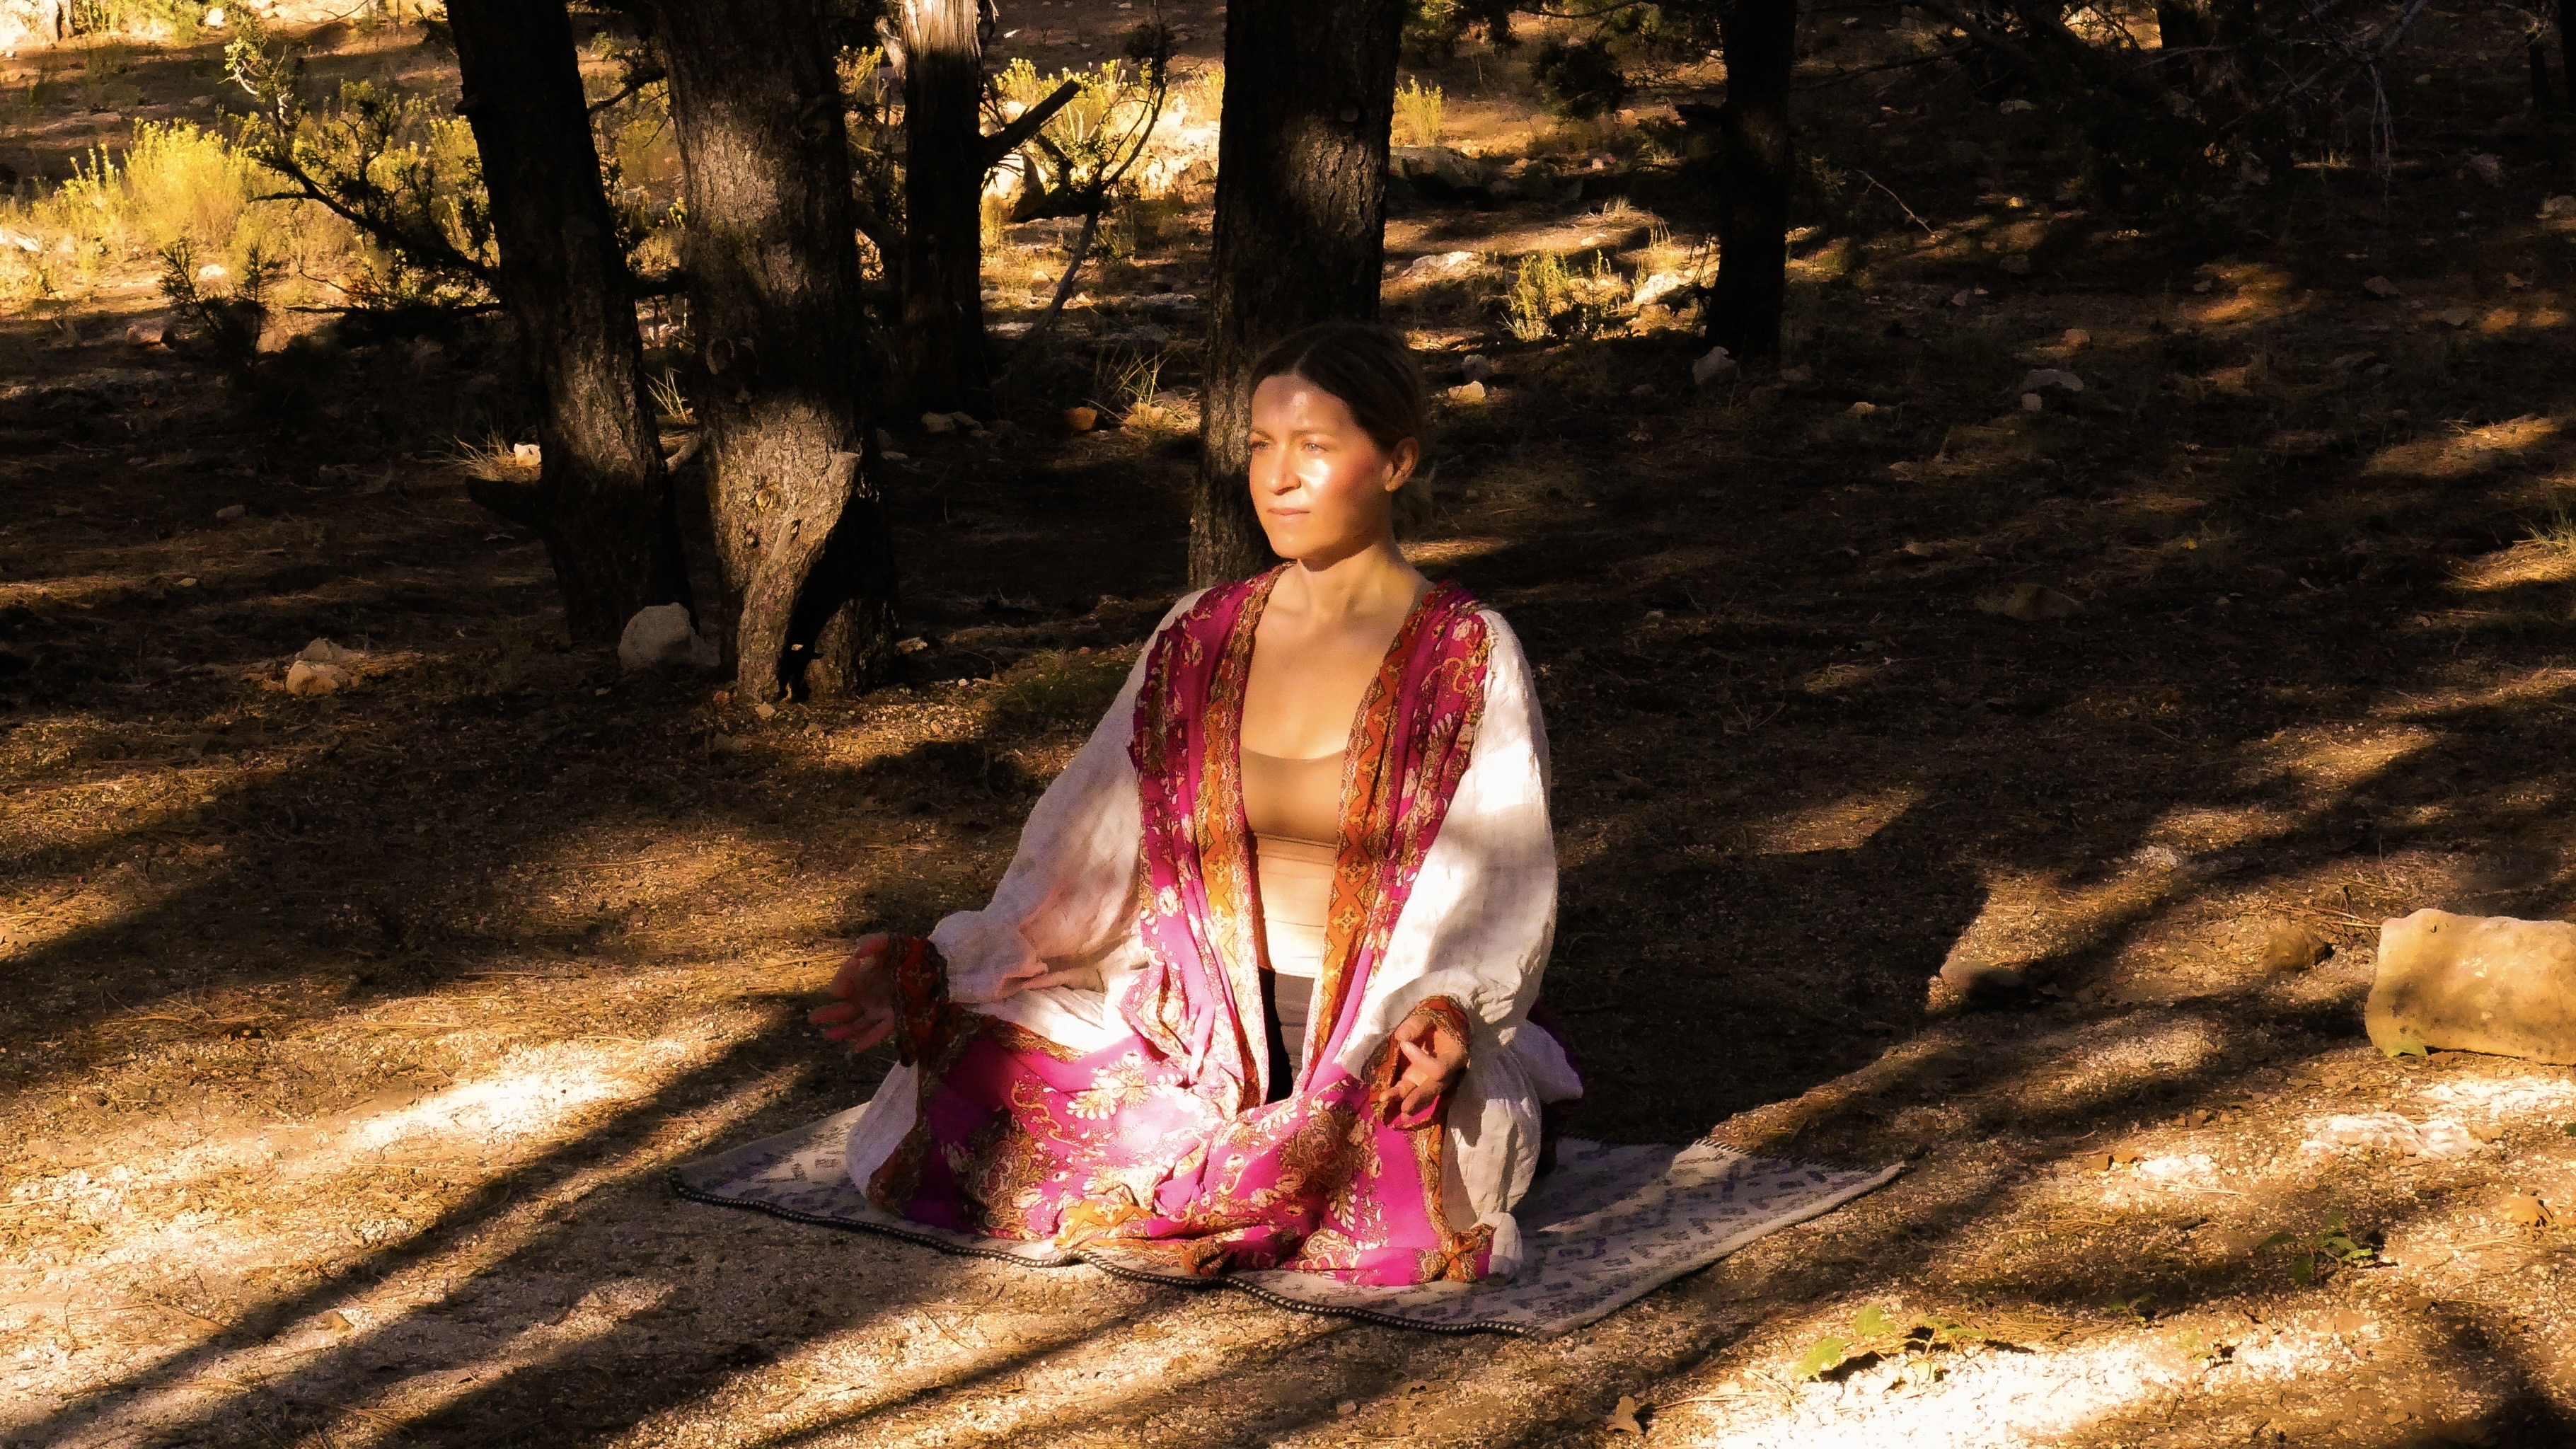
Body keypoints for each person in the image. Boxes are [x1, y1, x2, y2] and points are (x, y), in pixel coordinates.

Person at [809, 321, 1579, 1285]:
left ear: (1396, 462)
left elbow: (1500, 884)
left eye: (1314, 446)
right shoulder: (1199, 634)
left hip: (1373, 1038)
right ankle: (1230, 1146)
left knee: (1423, 1151)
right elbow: (1080, 853)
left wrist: (1448, 1014)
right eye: (1260, 445)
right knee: (970, 1073)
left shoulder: (1466, 654)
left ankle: (1289, 1147)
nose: (1278, 477)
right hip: (1193, 1032)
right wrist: (947, 966)